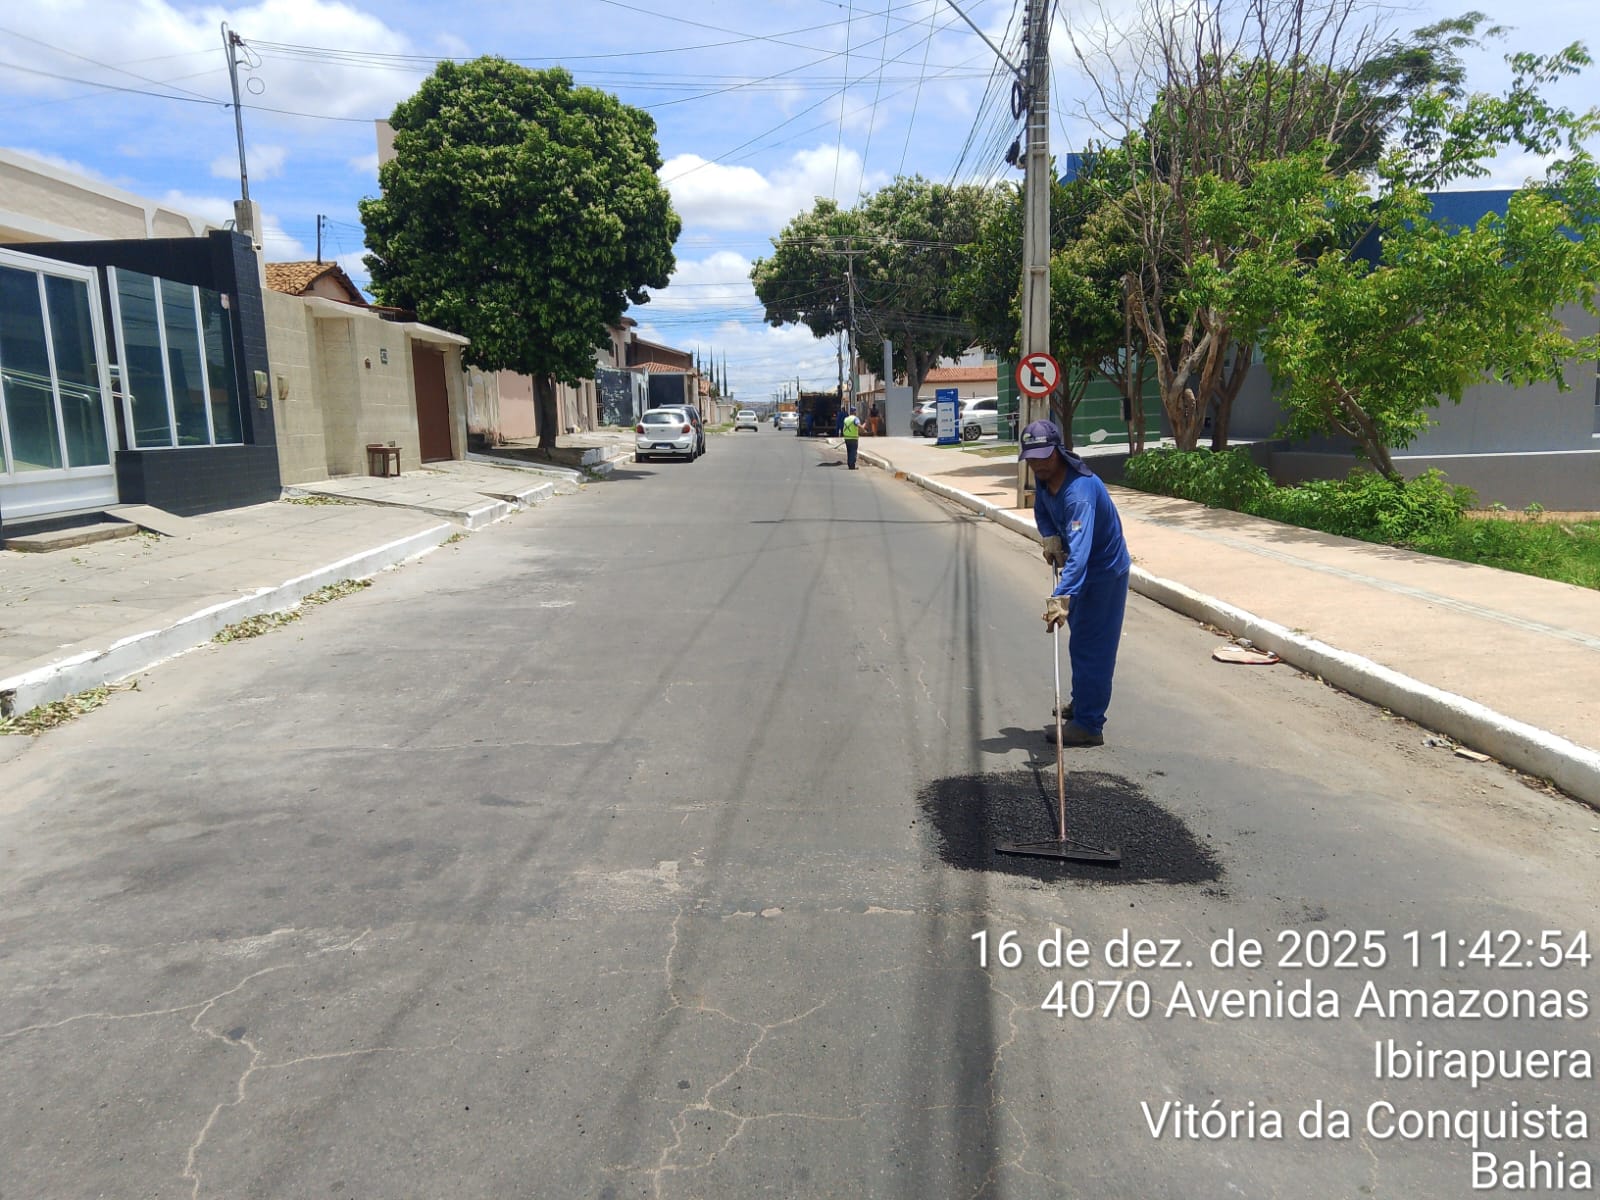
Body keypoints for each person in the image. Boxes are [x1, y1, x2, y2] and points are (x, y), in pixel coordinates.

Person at [1019, 419, 1130, 747]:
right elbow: (1042, 510)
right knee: (1080, 641)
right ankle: (1083, 702)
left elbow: (1080, 555)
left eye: (1044, 456)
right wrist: (1050, 537)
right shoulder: (1045, 480)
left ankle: (1089, 725)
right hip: (1080, 570)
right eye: (1032, 458)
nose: (1038, 464)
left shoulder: (1078, 494)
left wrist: (1061, 598)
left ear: (1059, 451)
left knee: (1093, 647)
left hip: (1103, 573)